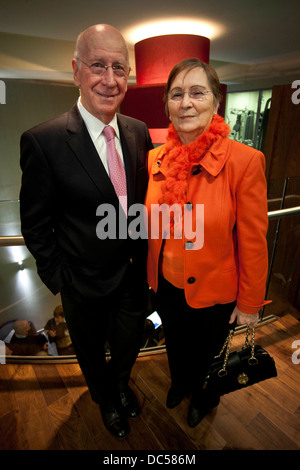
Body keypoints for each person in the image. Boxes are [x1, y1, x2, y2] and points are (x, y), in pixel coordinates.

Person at [19, 24, 153, 439]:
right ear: (76, 71)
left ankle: (119, 385)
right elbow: (36, 224)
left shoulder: (138, 131)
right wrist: (62, 281)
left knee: (129, 347)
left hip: (133, 278)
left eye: (119, 68)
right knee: (92, 354)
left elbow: (142, 205)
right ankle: (105, 399)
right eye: (98, 65)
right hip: (82, 283)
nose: (110, 80)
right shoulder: (44, 141)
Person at [145, 58, 270, 428]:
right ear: (167, 104)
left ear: (216, 102)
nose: (186, 103)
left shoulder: (245, 162)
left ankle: (205, 396)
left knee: (210, 356)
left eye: (197, 93)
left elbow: (253, 241)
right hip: (165, 285)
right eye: (176, 94)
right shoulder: (155, 159)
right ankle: (180, 383)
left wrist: (250, 302)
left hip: (216, 292)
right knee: (177, 346)